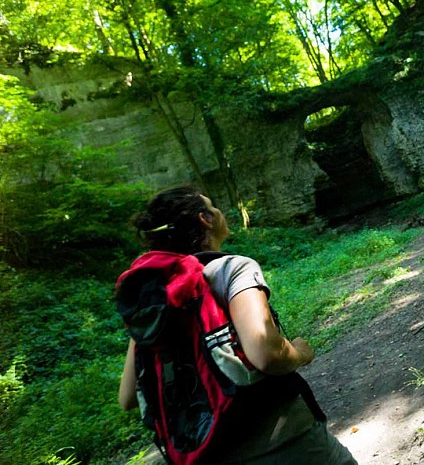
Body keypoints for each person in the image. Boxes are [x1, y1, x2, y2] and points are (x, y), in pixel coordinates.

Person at [118, 185, 357, 464]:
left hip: (205, 454)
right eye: (212, 206)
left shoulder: (156, 294)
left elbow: (127, 397)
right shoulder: (233, 268)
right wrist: (301, 353)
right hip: (279, 440)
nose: (220, 211)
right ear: (205, 219)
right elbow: (266, 354)